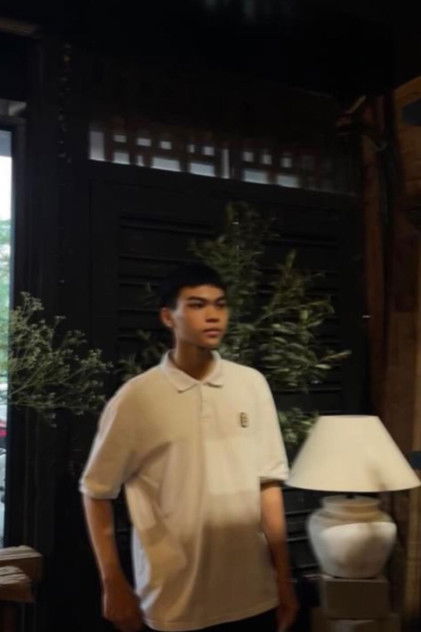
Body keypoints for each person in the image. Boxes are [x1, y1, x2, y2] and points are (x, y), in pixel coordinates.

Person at [80, 263, 298, 632]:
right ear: (168, 317)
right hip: (173, 601)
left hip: (253, 595)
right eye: (197, 305)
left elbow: (268, 485)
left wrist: (283, 578)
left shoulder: (251, 385)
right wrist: (112, 582)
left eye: (220, 304)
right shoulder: (137, 398)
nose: (213, 315)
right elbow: (96, 491)